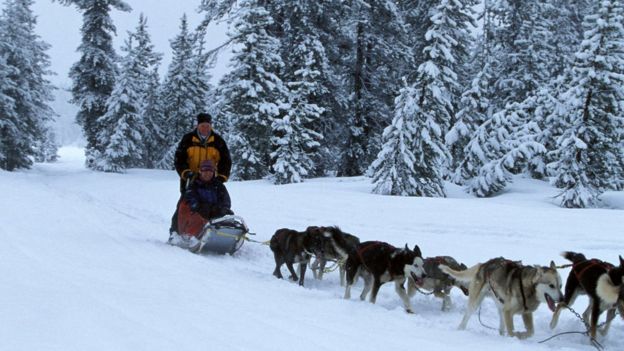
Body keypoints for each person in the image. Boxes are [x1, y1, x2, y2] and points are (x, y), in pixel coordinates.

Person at [169, 112, 231, 241]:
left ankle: (213, 230)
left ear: (211, 126)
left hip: (212, 178)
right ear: (198, 126)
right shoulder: (188, 139)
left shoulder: (217, 141)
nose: (205, 128)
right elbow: (179, 158)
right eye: (203, 126)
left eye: (207, 126)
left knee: (215, 204)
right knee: (185, 205)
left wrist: (222, 176)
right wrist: (185, 172)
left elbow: (226, 160)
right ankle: (175, 232)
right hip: (190, 179)